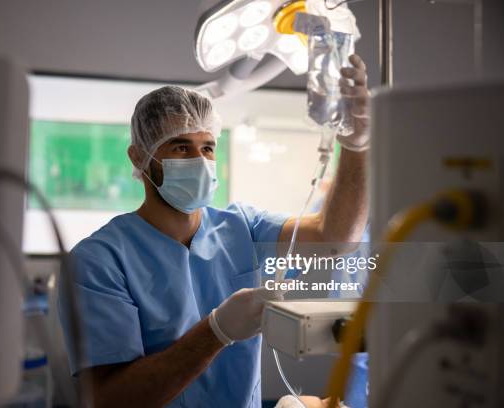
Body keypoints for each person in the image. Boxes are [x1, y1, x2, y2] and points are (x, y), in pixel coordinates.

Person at [58, 55, 370, 408]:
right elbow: (111, 400)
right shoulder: (97, 262)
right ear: (139, 157)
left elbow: (335, 238)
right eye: (181, 147)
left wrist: (356, 143)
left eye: (207, 147)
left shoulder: (241, 226)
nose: (200, 162)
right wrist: (216, 332)